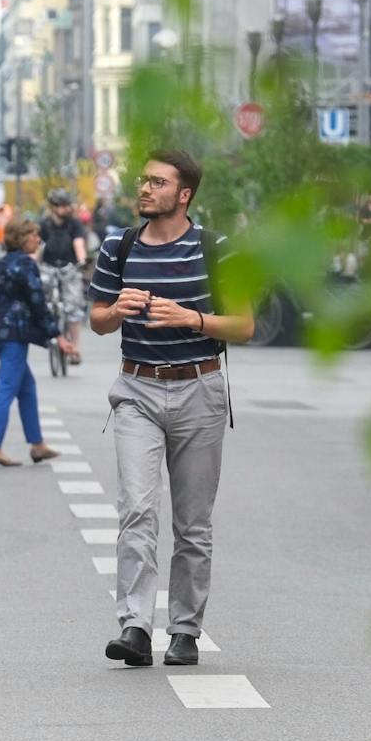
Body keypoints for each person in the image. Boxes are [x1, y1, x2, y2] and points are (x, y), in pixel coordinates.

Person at [89, 151, 254, 670]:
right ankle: (135, 627)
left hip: (199, 390)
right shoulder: (119, 245)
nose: (145, 189)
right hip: (137, 389)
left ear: (184, 195)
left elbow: (244, 325)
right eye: (143, 180)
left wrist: (191, 318)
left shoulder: (215, 248)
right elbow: (96, 319)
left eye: (157, 182)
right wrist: (115, 311)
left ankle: (184, 630)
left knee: (193, 523)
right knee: (137, 510)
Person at [0, 218, 67, 467]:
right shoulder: (26, 264)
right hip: (14, 334)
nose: (38, 240)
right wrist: (57, 335)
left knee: (27, 388)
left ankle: (37, 444)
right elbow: (38, 303)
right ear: (23, 238)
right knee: (6, 389)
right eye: (34, 235)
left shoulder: (3, 262)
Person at [38, 188, 90, 364]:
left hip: (70, 268)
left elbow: (79, 243)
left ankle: (74, 347)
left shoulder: (74, 224)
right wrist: (33, 263)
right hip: (48, 267)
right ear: (52, 206)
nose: (63, 209)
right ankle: (49, 332)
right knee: (42, 300)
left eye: (66, 205)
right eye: (59, 205)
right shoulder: (44, 224)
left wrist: (82, 261)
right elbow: (37, 246)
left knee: (73, 307)